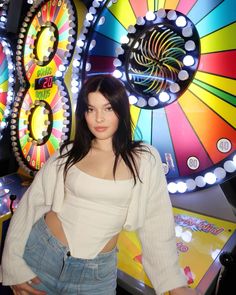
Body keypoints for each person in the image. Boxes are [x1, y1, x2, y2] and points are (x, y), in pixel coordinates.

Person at [1, 75, 201, 295]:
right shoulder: (68, 153)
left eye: (107, 108)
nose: (98, 118)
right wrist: (12, 265)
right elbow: (31, 205)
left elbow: (157, 223)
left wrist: (174, 284)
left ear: (121, 110)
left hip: (95, 276)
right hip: (41, 256)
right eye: (90, 109)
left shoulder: (144, 159)